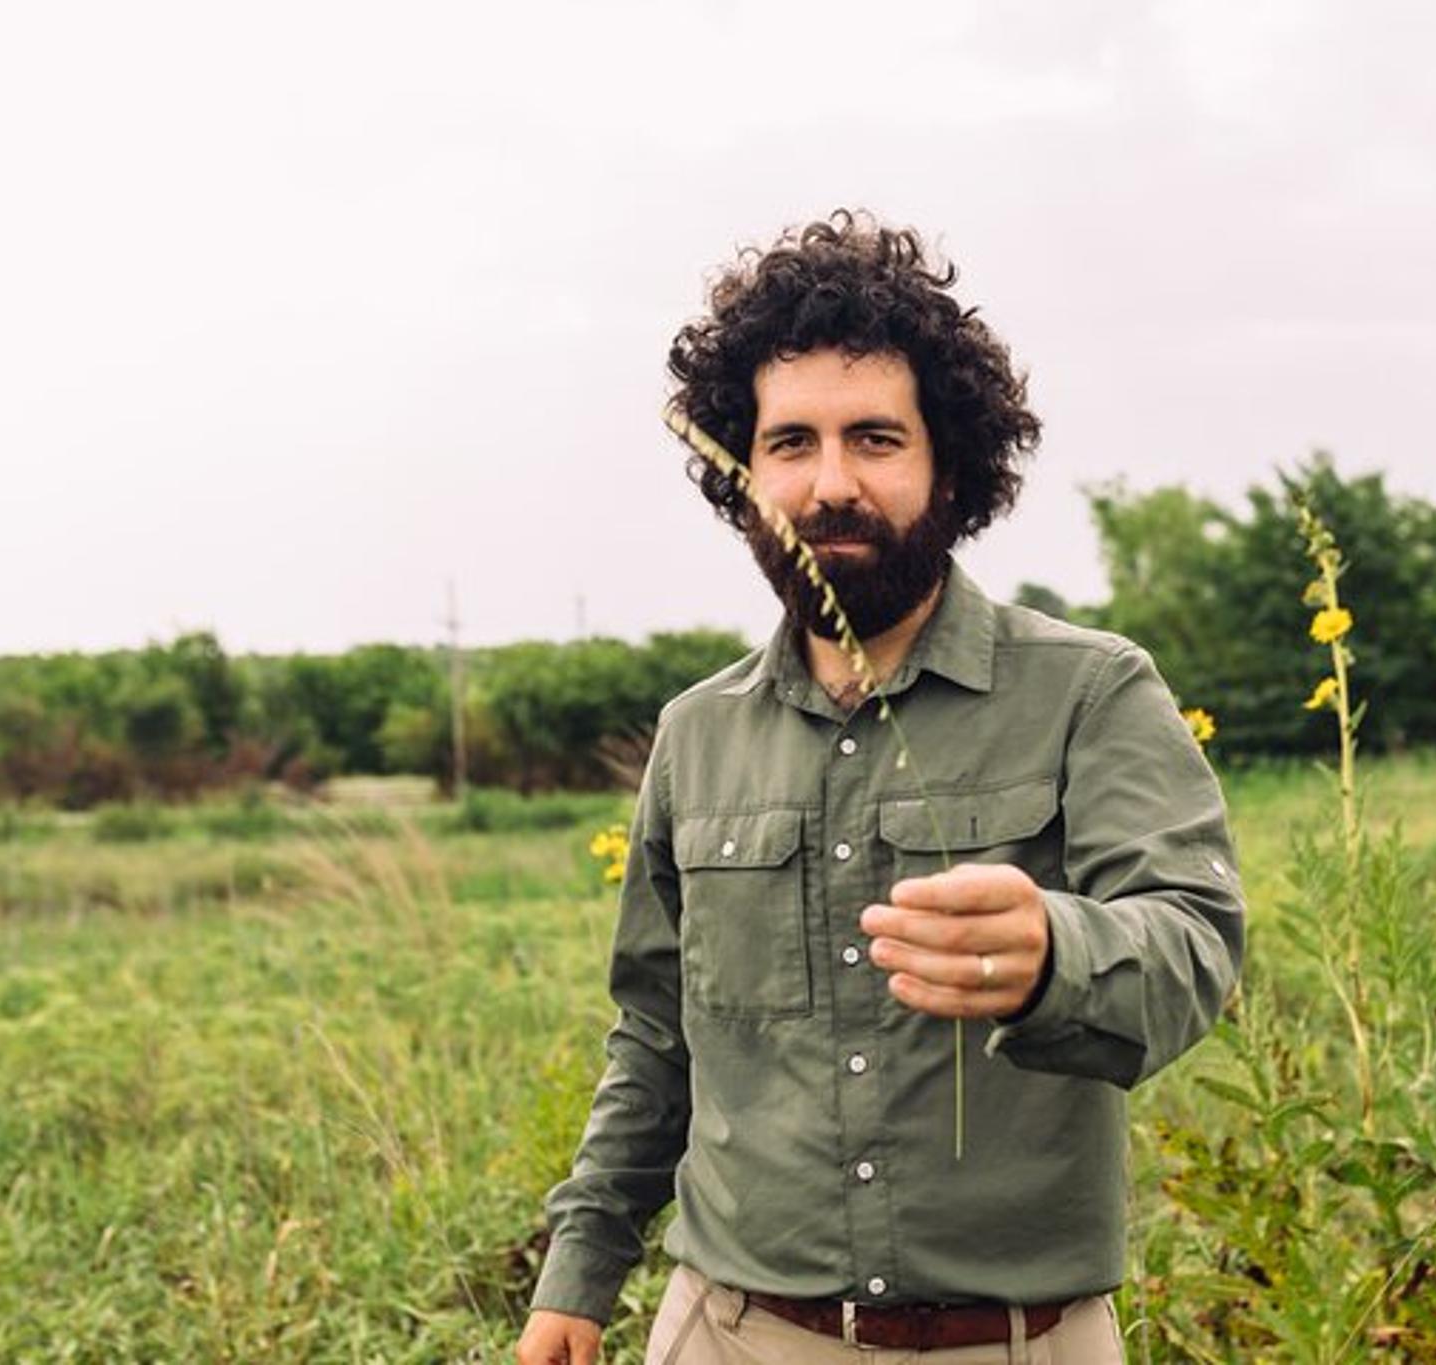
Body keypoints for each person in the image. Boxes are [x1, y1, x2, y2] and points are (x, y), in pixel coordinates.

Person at [516, 210, 1244, 1365]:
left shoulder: (1091, 692)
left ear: (948, 463)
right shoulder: (695, 735)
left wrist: (1056, 954)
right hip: (730, 1330)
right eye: (789, 443)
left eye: (874, 439)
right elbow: (657, 1032)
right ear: (743, 470)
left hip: (1014, 1341)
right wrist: (581, 1269)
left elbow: (1193, 948)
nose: (829, 483)